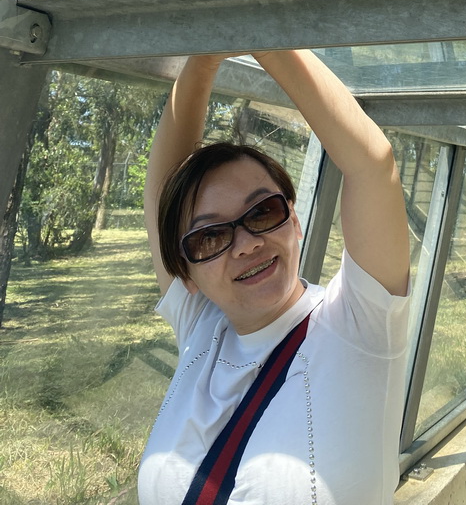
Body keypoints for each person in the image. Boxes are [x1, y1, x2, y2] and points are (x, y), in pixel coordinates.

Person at [137, 49, 411, 505]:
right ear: (183, 272)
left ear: (295, 221)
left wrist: (265, 38)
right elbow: (163, 197)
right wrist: (202, 59)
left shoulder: (357, 325)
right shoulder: (202, 326)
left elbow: (372, 165)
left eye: (262, 211)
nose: (246, 243)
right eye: (209, 236)